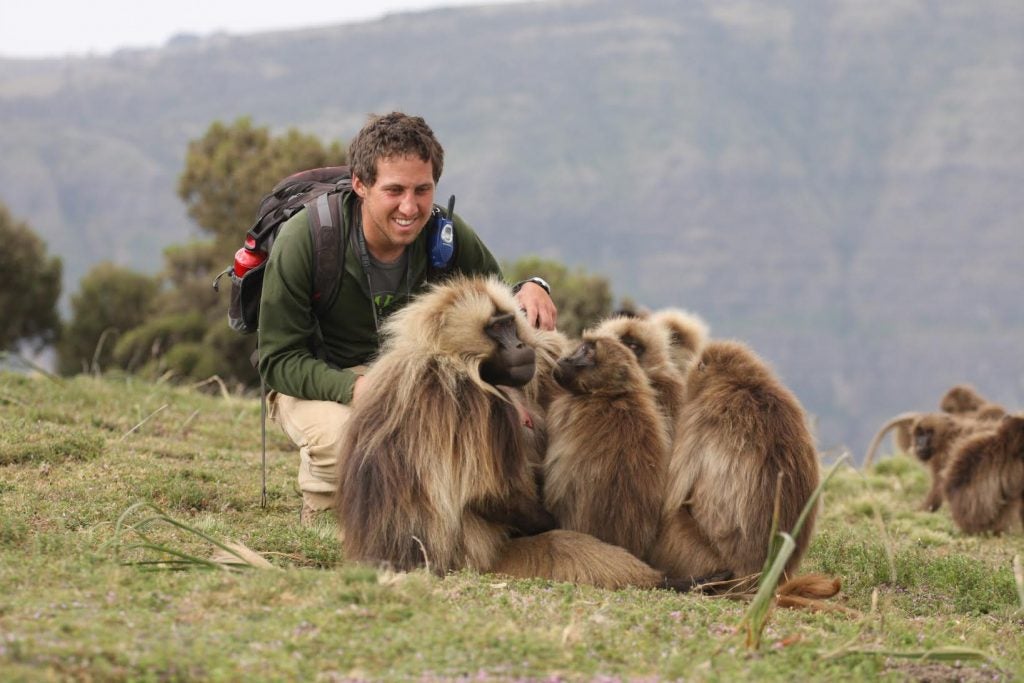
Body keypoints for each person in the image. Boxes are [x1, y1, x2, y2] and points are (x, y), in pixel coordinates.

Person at [257, 112, 558, 523]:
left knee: (519, 435)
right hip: (322, 381)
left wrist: (533, 285)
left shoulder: (445, 237)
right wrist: (357, 387)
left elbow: (495, 303)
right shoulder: (308, 239)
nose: (410, 207)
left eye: (423, 190)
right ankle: (322, 506)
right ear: (361, 185)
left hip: (411, 383)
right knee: (357, 440)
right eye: (394, 190)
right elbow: (278, 360)